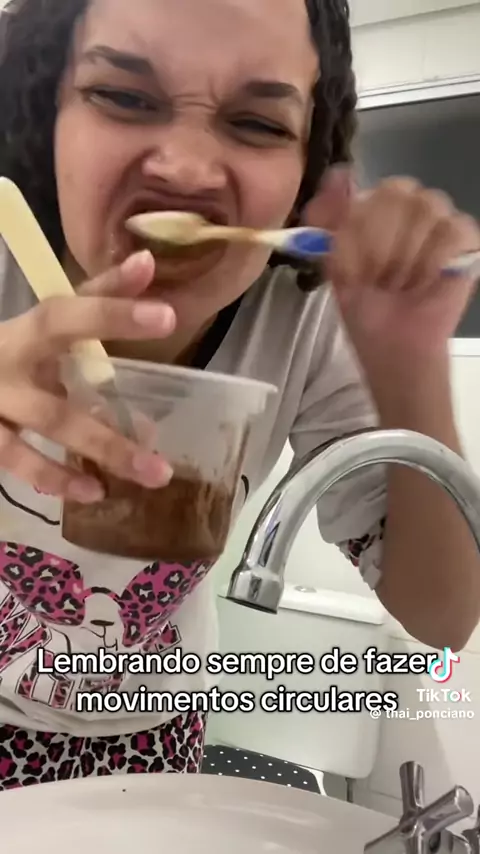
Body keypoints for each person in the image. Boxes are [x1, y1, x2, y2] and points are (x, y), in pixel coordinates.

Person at [0, 0, 477, 789]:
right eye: (124, 96)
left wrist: (409, 366)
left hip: (157, 731)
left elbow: (443, 618)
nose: (187, 169)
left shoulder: (304, 317)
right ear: (45, 112)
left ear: (305, 167)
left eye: (257, 122)